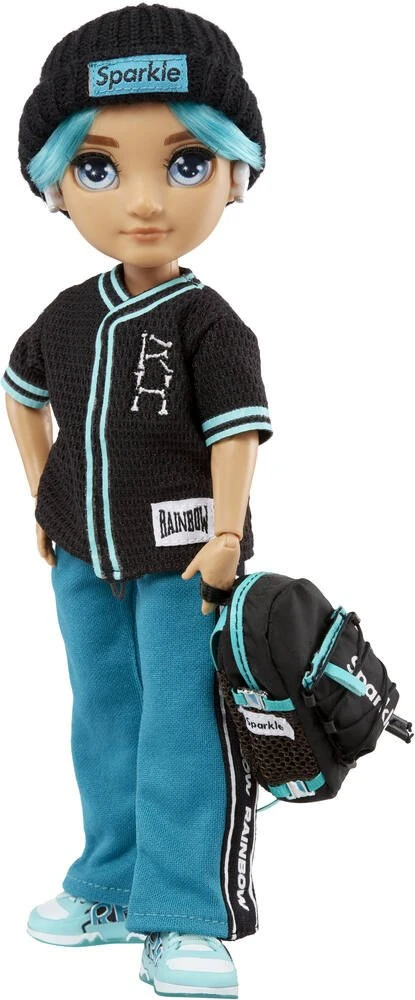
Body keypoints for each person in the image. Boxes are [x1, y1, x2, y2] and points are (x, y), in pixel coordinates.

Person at [2, 4, 274, 997]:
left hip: (183, 559)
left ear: (236, 174)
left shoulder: (208, 322)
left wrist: (228, 532)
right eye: (99, 168)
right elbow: (21, 394)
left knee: (181, 728)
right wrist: (46, 498)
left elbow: (234, 432)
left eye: (187, 163)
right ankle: (111, 882)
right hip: (83, 553)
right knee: (105, 716)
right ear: (56, 184)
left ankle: (185, 909)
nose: (146, 202)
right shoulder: (68, 315)